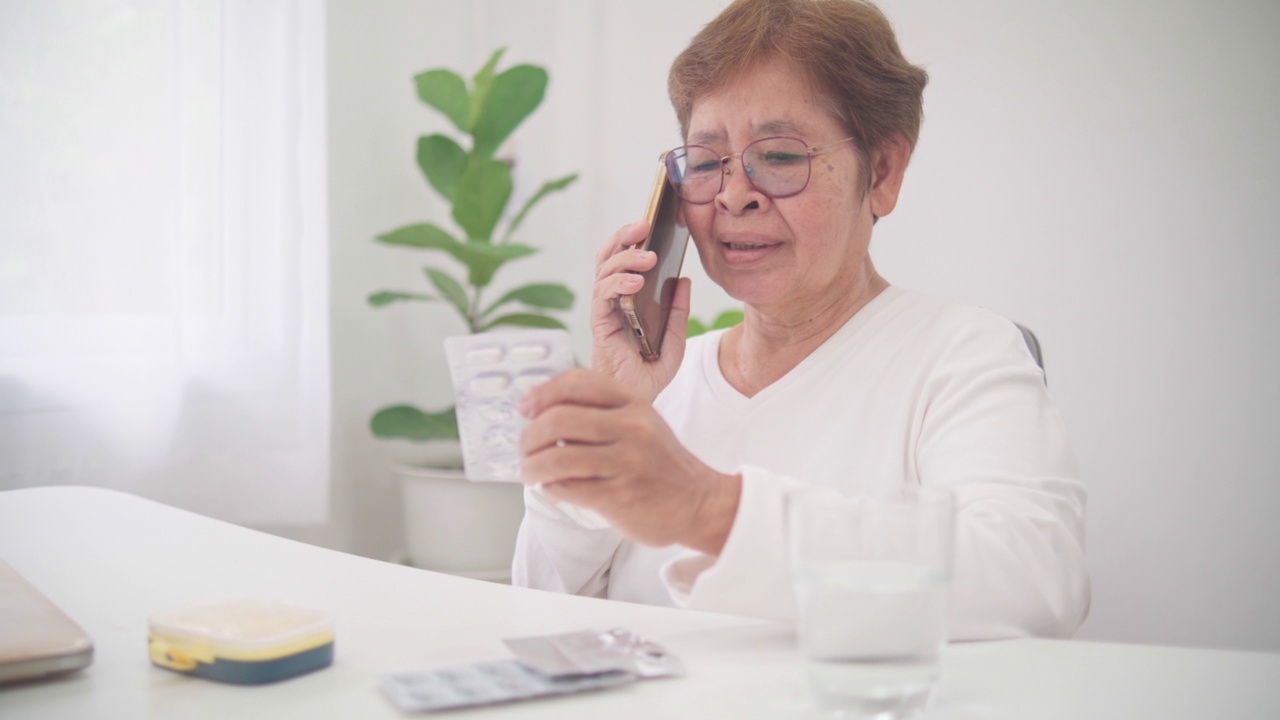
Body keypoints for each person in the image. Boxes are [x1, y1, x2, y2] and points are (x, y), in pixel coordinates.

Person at [511, 0, 1090, 640]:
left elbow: (1036, 578)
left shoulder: (961, 354)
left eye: (781, 156)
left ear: (883, 174)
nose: (734, 194)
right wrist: (609, 418)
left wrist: (709, 509)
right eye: (706, 163)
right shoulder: (663, 384)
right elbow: (542, 613)